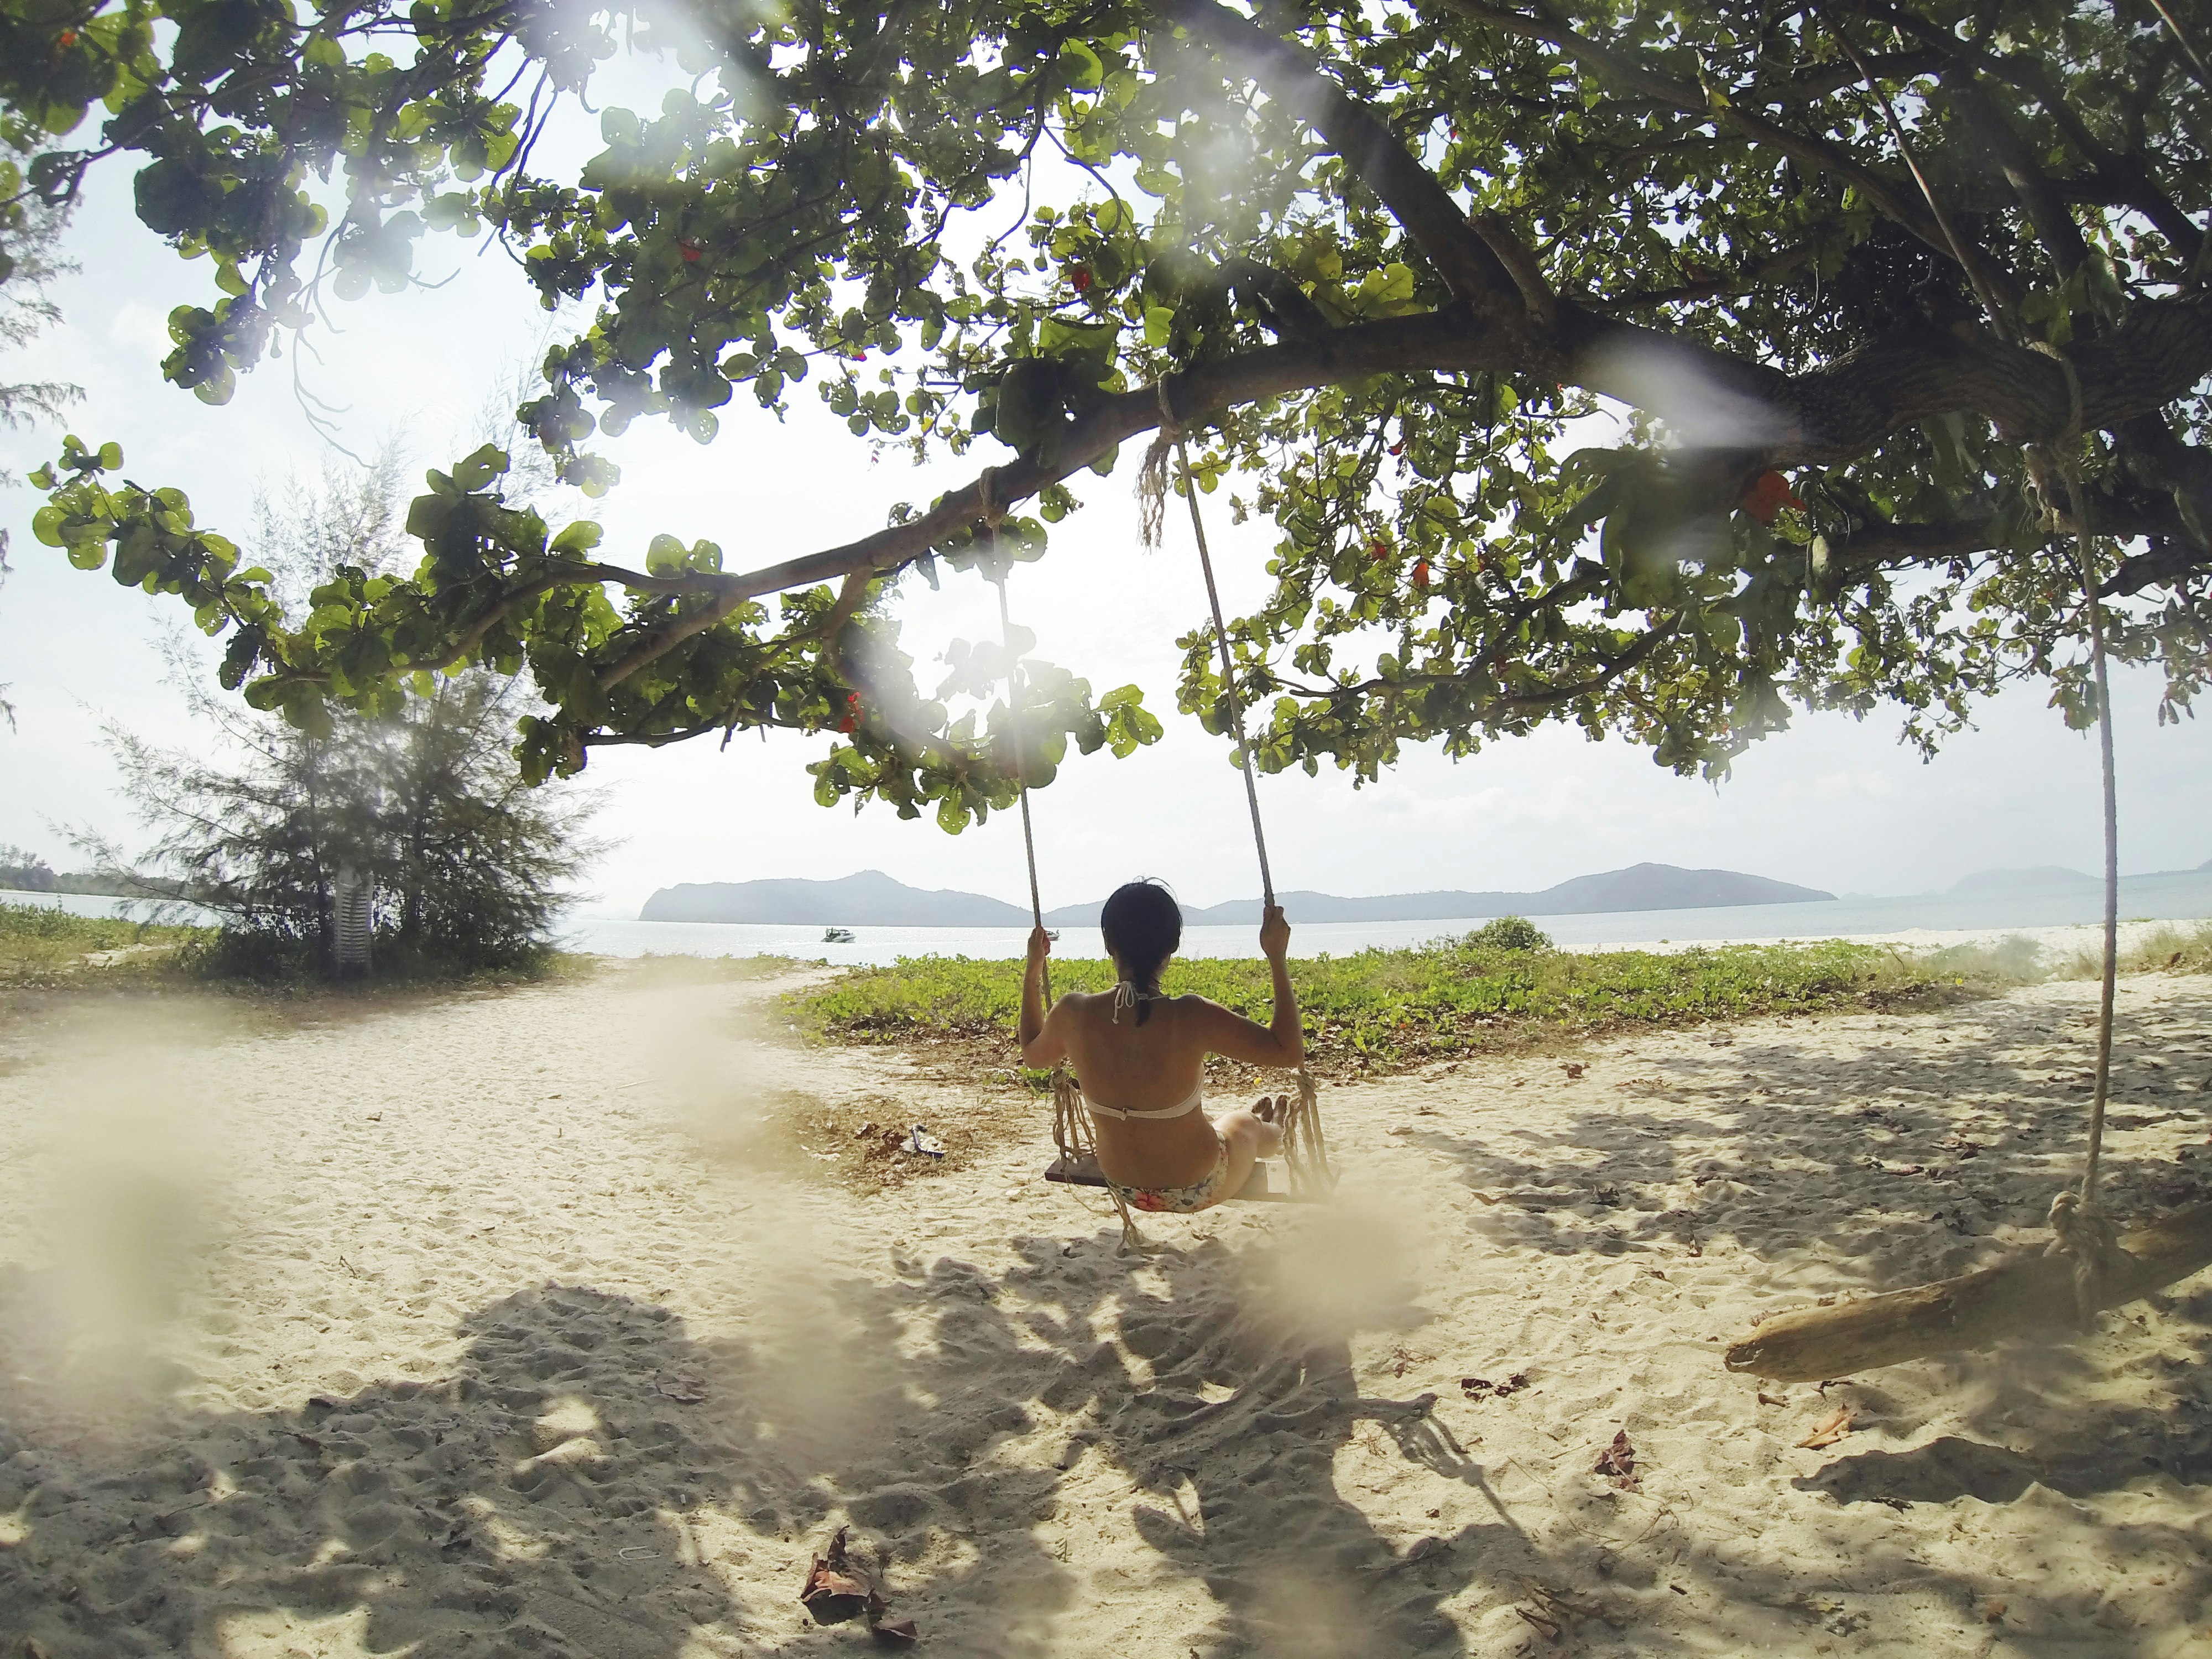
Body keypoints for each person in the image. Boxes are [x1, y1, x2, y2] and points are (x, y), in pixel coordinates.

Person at [1019, 879, 1303, 1214]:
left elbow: (1032, 1056)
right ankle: (1275, 1131)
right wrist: (1276, 957)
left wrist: (1033, 970)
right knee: (1243, 1124)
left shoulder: (1072, 1013)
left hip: (1124, 1185)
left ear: (1109, 943)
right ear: (1174, 944)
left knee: (1199, 1119)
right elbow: (1288, 1051)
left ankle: (1256, 1126)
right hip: (1199, 1185)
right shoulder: (1192, 1016)